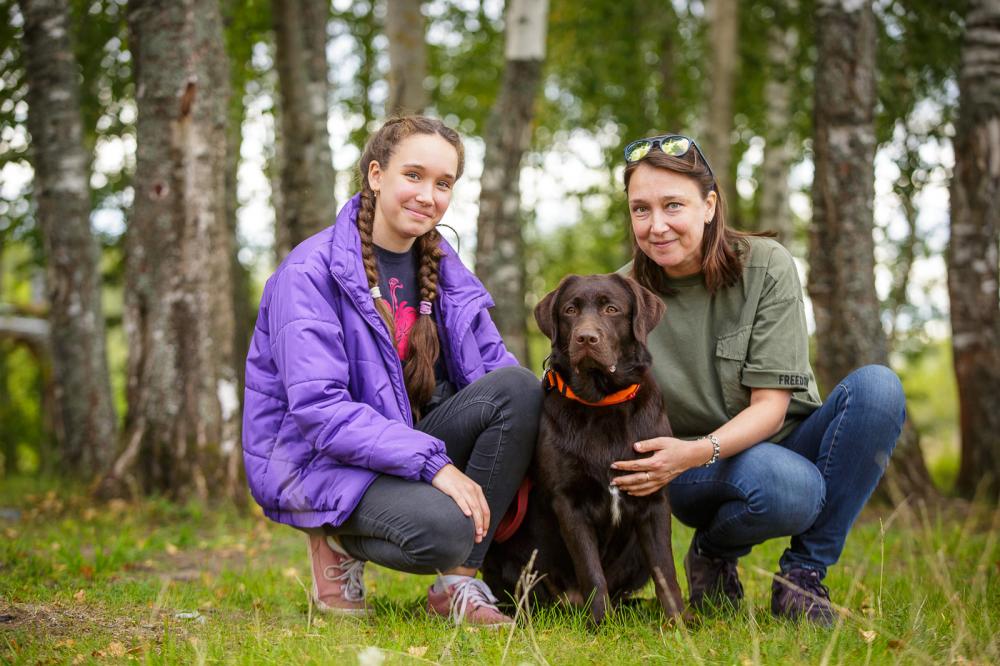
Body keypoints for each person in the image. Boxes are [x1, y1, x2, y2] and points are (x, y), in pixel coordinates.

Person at [242, 116, 541, 627]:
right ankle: (334, 540)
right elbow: (321, 411)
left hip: (404, 443)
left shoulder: (445, 268)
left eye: (443, 183)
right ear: (376, 175)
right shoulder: (309, 273)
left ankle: (458, 586)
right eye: (414, 176)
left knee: (519, 389)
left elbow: (497, 370)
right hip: (320, 461)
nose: (428, 195)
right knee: (448, 530)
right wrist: (434, 466)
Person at [609, 134, 905, 626]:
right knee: (791, 488)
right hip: (686, 470)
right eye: (640, 209)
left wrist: (700, 448)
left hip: (779, 440)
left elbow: (771, 406)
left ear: (709, 206)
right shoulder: (619, 296)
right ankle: (713, 552)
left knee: (878, 389)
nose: (656, 226)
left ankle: (802, 578)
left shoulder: (766, 265)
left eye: (673, 206)